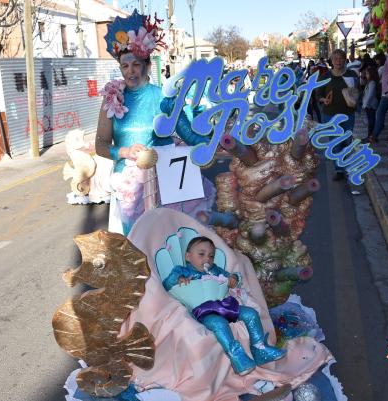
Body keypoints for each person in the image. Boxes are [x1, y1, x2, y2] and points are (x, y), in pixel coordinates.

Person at [94, 11, 212, 235]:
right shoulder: (112, 98)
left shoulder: (164, 97)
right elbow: (100, 145)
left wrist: (215, 140)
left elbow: (188, 135)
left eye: (136, 65)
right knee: (136, 247)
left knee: (167, 244)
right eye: (125, 66)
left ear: (147, 65)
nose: (130, 71)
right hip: (128, 189)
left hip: (166, 183)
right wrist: (124, 151)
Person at [162, 236, 286, 376]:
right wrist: (179, 280)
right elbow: (167, 284)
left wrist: (234, 279)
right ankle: (237, 357)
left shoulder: (215, 270)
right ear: (188, 256)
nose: (207, 259)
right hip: (203, 311)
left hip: (224, 305)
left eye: (211, 256)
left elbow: (232, 277)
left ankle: (259, 348)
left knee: (250, 313)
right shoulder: (182, 271)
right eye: (201, 254)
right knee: (219, 323)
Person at [317, 48, 359, 181]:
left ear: (345, 60)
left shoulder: (352, 74)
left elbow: (358, 91)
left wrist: (355, 95)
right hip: (330, 115)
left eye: (341, 58)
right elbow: (318, 94)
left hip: (348, 114)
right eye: (335, 59)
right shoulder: (325, 76)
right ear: (332, 60)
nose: (338, 61)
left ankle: (344, 163)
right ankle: (339, 169)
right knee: (335, 143)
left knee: (346, 141)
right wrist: (324, 100)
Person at [362, 66, 381, 143]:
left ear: (371, 74)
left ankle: (370, 136)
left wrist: (365, 104)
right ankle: (371, 136)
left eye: (367, 73)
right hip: (369, 105)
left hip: (370, 105)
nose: (366, 75)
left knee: (371, 121)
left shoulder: (372, 83)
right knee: (371, 120)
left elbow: (370, 95)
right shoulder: (370, 82)